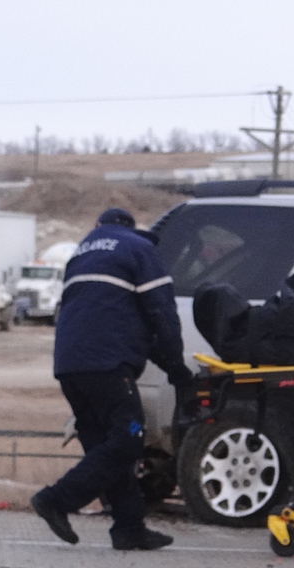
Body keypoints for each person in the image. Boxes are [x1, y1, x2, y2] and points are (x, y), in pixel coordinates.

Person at [30, 207, 192, 550]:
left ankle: (129, 527)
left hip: (69, 366)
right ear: (131, 228)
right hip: (107, 366)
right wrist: (178, 369)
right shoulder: (138, 249)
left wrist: (166, 363)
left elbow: (115, 319)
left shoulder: (81, 255)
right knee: (128, 441)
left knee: (107, 448)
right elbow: (161, 312)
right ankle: (56, 499)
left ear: (99, 226)